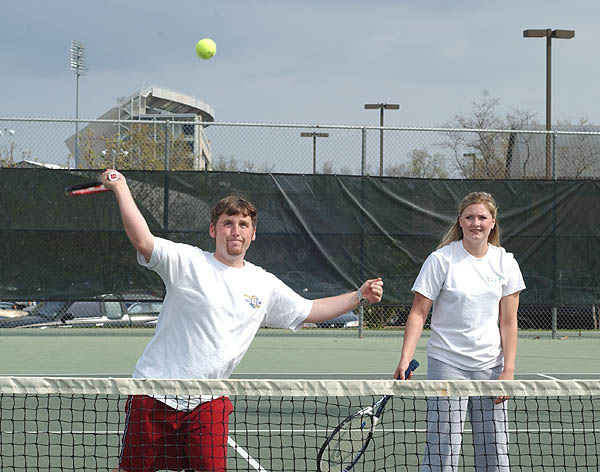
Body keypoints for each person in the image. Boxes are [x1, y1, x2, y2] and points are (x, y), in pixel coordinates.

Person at [101, 169, 384, 472]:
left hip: (208, 401)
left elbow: (310, 310)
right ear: (214, 230)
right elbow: (143, 240)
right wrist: (122, 188)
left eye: (243, 224)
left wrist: (359, 295)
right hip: (154, 391)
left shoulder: (264, 284)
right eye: (228, 223)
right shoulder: (187, 262)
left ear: (252, 233)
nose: (235, 230)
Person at [394, 191, 525, 472]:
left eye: (482, 217)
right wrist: (405, 357)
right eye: (470, 217)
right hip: (447, 364)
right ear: (460, 221)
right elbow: (418, 312)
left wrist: (508, 370)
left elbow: (508, 321)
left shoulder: (506, 263)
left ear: (493, 223)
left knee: (494, 448)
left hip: (491, 367)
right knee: (443, 447)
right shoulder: (440, 260)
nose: (475, 223)